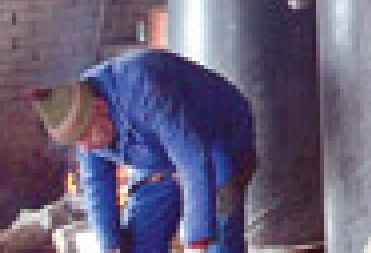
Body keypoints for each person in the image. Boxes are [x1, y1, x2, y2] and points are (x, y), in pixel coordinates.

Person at [29, 49, 256, 253]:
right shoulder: (82, 118)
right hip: (157, 154)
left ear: (100, 108)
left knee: (219, 233)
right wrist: (110, 245)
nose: (86, 147)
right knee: (137, 241)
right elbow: (96, 182)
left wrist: (198, 239)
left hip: (216, 135)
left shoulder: (143, 85)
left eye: (86, 137)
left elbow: (193, 160)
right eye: (78, 142)